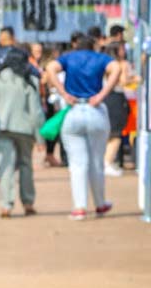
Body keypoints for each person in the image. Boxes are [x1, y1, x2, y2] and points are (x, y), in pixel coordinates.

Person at [44, 35, 121, 220]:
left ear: (76, 46)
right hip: (96, 109)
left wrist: (63, 93)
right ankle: (100, 203)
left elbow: (50, 68)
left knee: (77, 164)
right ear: (94, 46)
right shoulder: (100, 58)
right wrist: (103, 94)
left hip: (74, 109)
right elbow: (116, 68)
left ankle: (79, 207)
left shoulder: (69, 58)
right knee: (96, 162)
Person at [0, 47, 43, 217]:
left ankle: (7, 204)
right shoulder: (30, 80)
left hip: (1, 129)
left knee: (5, 166)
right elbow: (36, 111)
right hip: (25, 129)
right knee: (25, 164)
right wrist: (40, 137)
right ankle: (28, 202)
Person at [102, 41, 132, 177]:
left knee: (108, 132)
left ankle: (106, 161)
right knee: (116, 134)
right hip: (117, 98)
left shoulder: (104, 63)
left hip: (104, 98)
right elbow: (124, 81)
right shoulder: (121, 64)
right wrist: (134, 78)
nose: (124, 51)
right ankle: (107, 162)